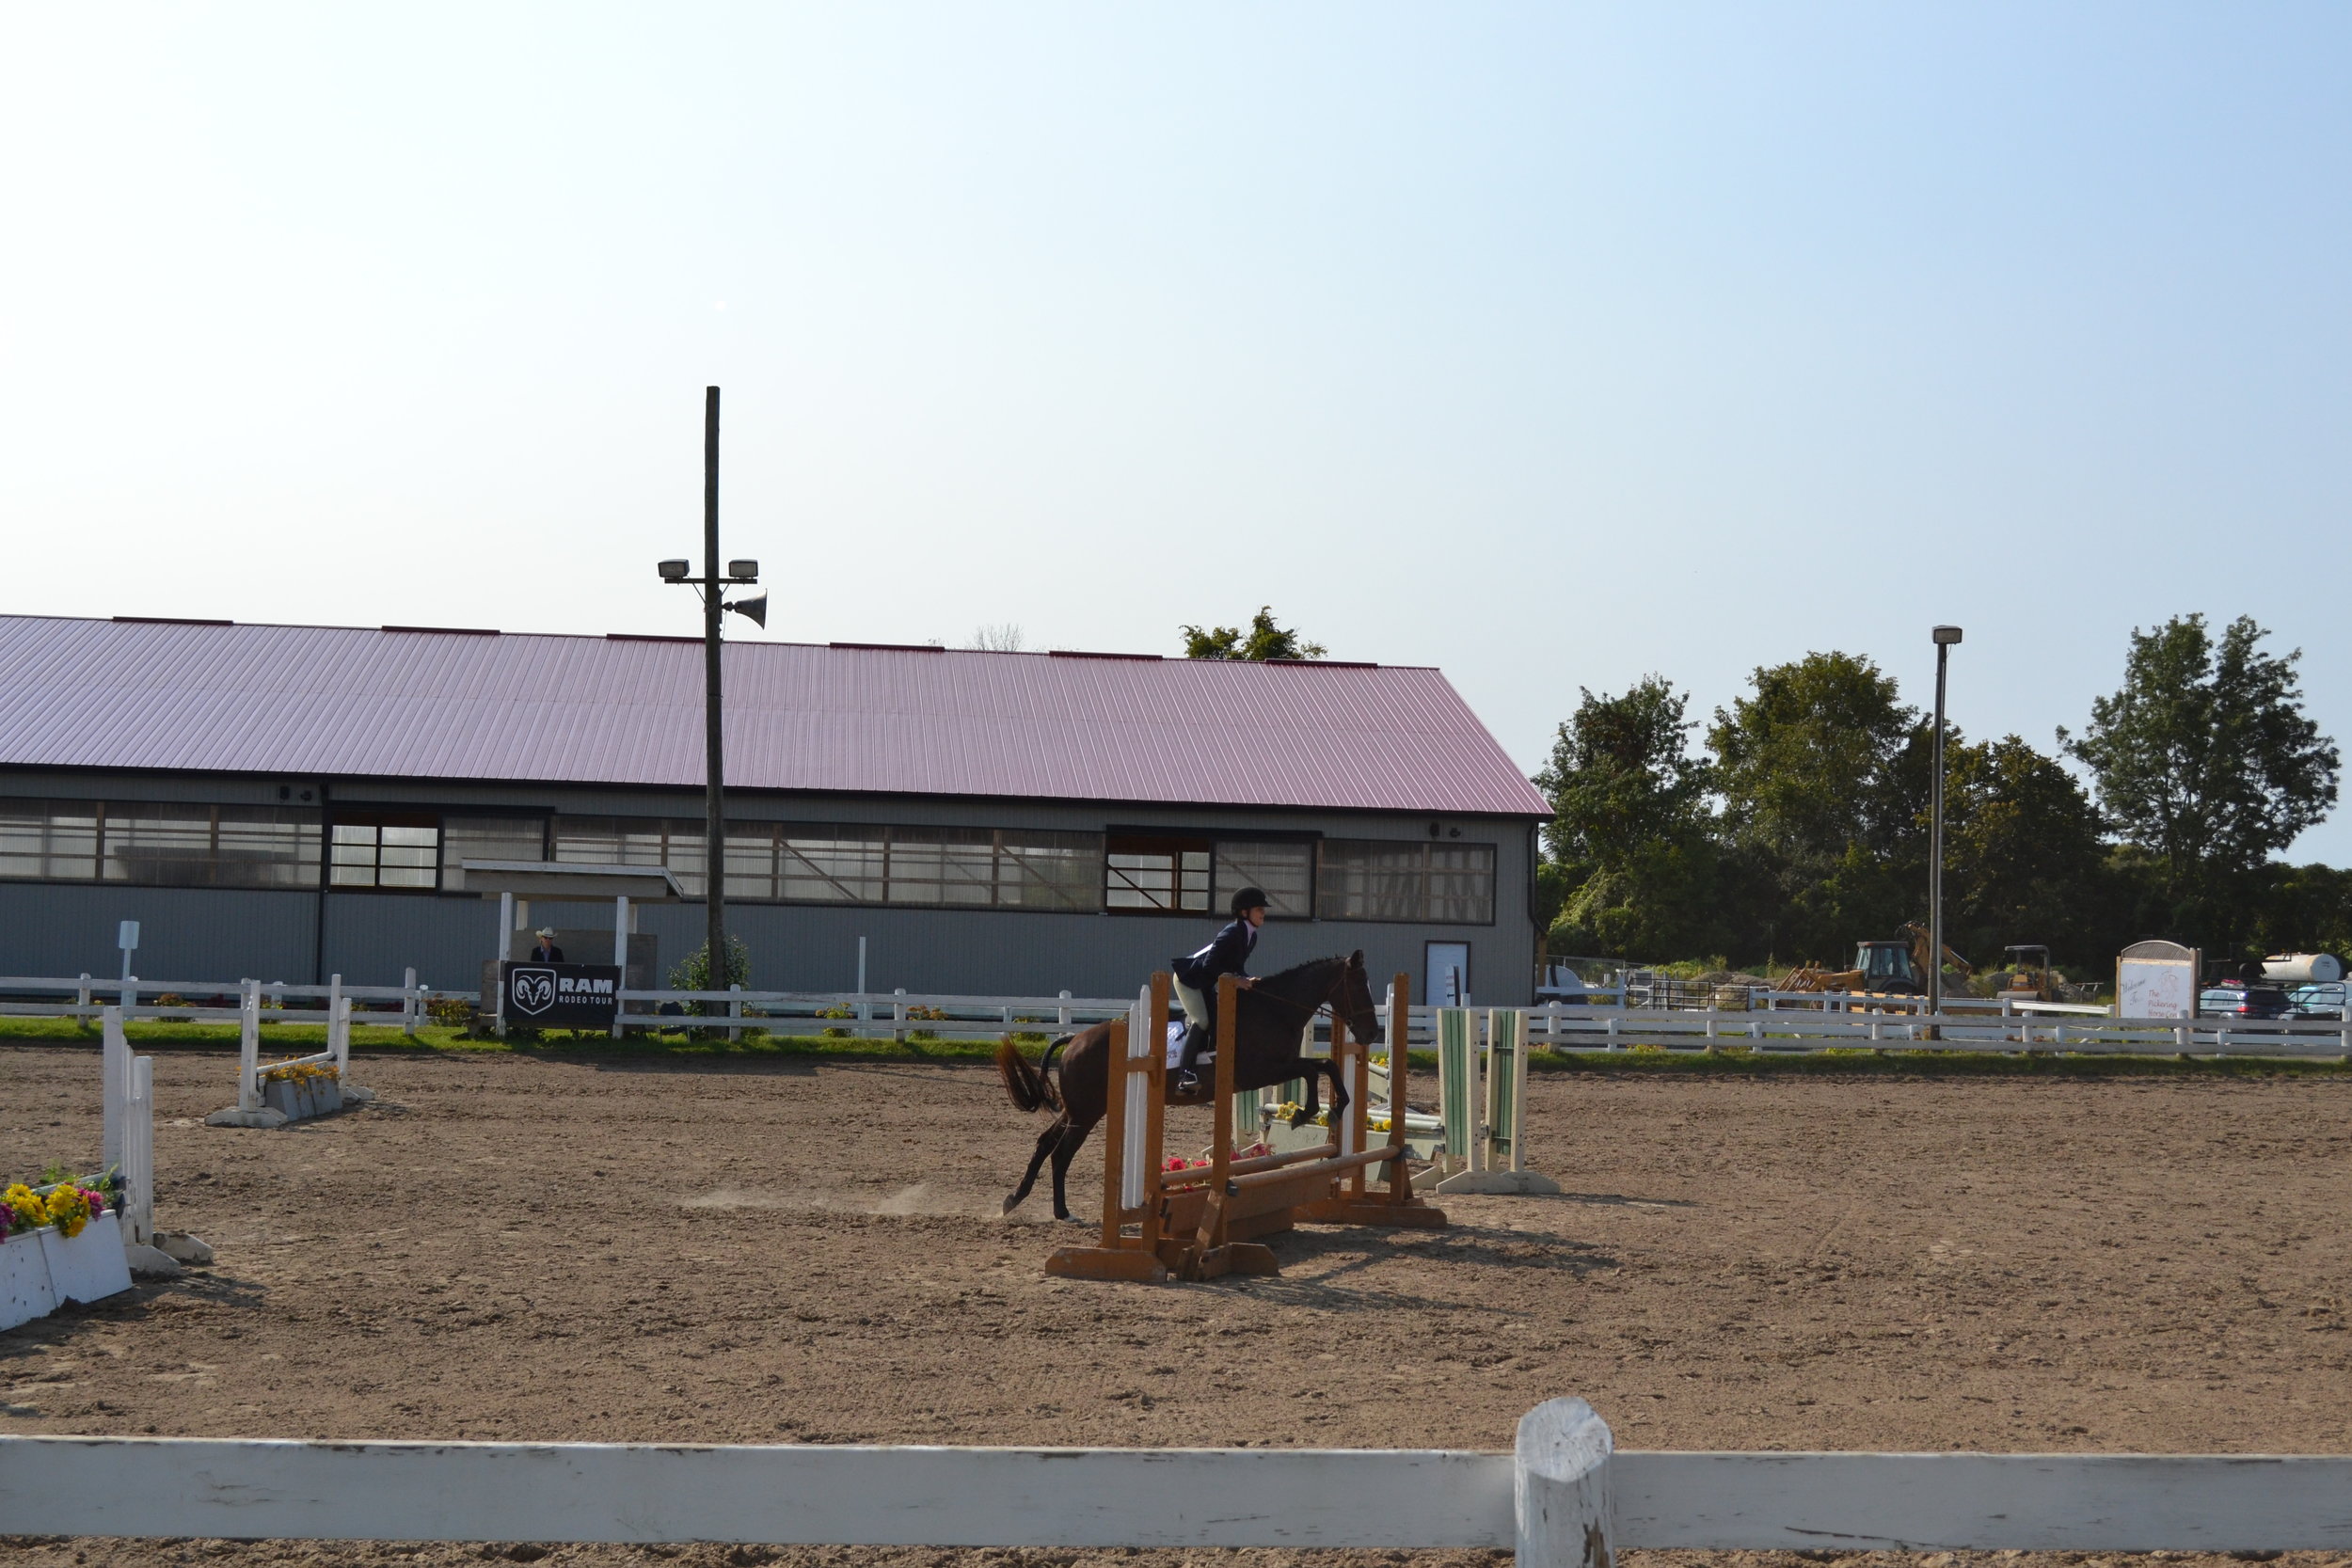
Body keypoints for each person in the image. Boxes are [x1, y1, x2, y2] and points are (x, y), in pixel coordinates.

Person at [1170, 887, 1269, 1093]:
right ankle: (1184, 1074)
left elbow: (1235, 966)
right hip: (1189, 979)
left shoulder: (1251, 936)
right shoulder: (1231, 932)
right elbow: (1209, 966)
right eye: (1259, 909)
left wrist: (1246, 978)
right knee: (1202, 1020)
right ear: (1244, 912)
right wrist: (1237, 981)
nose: (1263, 913)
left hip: (1206, 981)